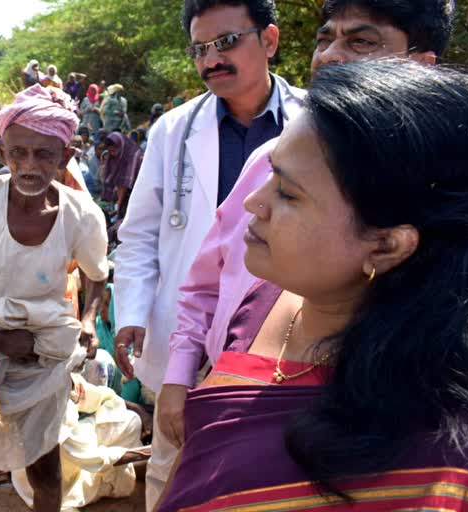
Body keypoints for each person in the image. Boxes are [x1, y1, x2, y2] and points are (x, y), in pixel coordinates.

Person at [158, 57, 468, 512]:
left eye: (288, 193)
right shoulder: (268, 297)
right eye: (271, 176)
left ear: (386, 246)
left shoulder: (459, 463)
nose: (254, 203)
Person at [159, 0, 458, 455]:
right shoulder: (270, 158)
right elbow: (203, 285)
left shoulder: (452, 205)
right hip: (222, 401)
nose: (329, 57)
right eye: (325, 37)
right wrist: (181, 378)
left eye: (360, 40)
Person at [111, 1, 306, 508]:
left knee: (266, 471)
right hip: (186, 335)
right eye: (200, 49)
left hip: (280, 337)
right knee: (171, 464)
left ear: (269, 40)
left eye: (226, 43)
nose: (211, 61)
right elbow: (139, 235)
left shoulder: (316, 124)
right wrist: (131, 310)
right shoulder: (172, 130)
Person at [0, 84, 109, 512]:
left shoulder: (82, 216)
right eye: (18, 153)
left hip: (41, 358)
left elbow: (97, 278)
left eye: (44, 155)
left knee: (44, 467)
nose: (29, 166)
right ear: (2, 151)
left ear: (66, 157)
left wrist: (87, 321)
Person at [10, 372, 143, 511]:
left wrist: (137, 408)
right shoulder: (50, 412)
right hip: (53, 483)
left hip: (73, 449)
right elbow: (94, 459)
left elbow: (100, 397)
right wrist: (144, 453)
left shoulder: (61, 377)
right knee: (123, 482)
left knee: (132, 421)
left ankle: (126, 469)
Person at [99, 132, 143, 219]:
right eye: (110, 151)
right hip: (122, 199)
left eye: (114, 150)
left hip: (136, 198)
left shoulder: (133, 156)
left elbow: (123, 185)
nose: (113, 154)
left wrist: (118, 210)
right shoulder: (114, 158)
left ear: (121, 146)